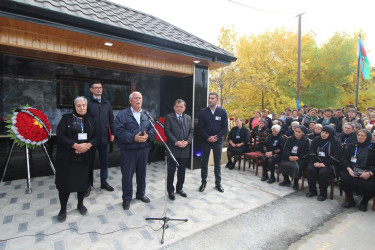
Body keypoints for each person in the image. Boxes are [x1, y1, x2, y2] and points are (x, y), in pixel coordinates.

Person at [55, 96, 98, 222]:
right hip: (68, 158)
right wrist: (75, 145)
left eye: (83, 105)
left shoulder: (91, 120)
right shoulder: (66, 119)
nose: (81, 108)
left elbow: (97, 137)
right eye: (79, 105)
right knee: (65, 185)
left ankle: (80, 204)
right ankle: (63, 209)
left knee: (82, 183)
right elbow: (60, 136)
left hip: (84, 157)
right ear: (74, 106)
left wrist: (88, 146)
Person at [114, 92, 155, 210]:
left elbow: (153, 129)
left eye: (140, 98)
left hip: (143, 150)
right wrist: (133, 138)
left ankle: (141, 194)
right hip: (129, 151)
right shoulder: (122, 114)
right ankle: (127, 198)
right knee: (127, 176)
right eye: (136, 98)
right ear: (130, 101)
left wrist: (148, 137)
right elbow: (118, 131)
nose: (138, 100)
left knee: (142, 174)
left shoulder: (146, 114)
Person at [85, 81, 115, 197]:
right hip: (91, 138)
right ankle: (88, 184)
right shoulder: (87, 102)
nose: (99, 89)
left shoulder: (107, 103)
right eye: (96, 88)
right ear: (91, 90)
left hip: (104, 137)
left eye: (100, 88)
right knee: (89, 162)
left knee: (104, 161)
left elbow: (111, 118)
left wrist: (112, 132)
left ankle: (104, 182)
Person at [198, 92, 228, 193]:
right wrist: (207, 137)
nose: (210, 100)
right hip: (206, 142)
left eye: (212, 98)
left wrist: (216, 137)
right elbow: (200, 127)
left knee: (217, 163)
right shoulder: (203, 112)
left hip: (217, 142)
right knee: (204, 163)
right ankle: (203, 183)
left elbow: (225, 128)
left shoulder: (222, 112)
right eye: (209, 98)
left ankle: (218, 183)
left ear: (217, 100)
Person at [164, 99, 193, 200]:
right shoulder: (169, 117)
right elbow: (167, 131)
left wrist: (187, 141)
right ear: (174, 107)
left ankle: (179, 189)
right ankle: (170, 191)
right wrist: (176, 142)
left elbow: (191, 131)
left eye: (181, 107)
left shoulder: (188, 118)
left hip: (185, 148)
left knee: (182, 171)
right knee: (171, 171)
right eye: (177, 106)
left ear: (184, 108)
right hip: (173, 148)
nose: (179, 108)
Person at [341, 129, 375, 212]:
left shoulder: (373, 147)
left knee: (371, 184)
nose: (359, 137)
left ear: (367, 137)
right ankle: (350, 200)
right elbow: (345, 159)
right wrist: (349, 170)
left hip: (368, 171)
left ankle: (364, 202)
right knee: (344, 178)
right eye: (358, 135)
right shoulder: (352, 145)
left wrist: (370, 173)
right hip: (353, 169)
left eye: (362, 136)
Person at [306, 126, 342, 201]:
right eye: (322, 132)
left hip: (330, 163)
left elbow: (337, 156)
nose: (323, 134)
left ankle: (323, 193)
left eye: (326, 133)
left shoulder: (336, 141)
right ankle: (312, 191)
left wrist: (325, 164)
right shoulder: (317, 139)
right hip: (317, 161)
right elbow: (312, 152)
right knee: (310, 169)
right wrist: (315, 161)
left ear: (330, 134)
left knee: (323, 172)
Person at [278, 125, 310, 190]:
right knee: (282, 163)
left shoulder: (306, 141)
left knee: (296, 167)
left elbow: (307, 152)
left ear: (303, 133)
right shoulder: (290, 139)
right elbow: (285, 149)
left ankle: (296, 182)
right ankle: (286, 180)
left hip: (301, 159)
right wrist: (289, 156)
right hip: (290, 157)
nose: (297, 133)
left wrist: (298, 157)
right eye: (296, 131)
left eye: (299, 132)